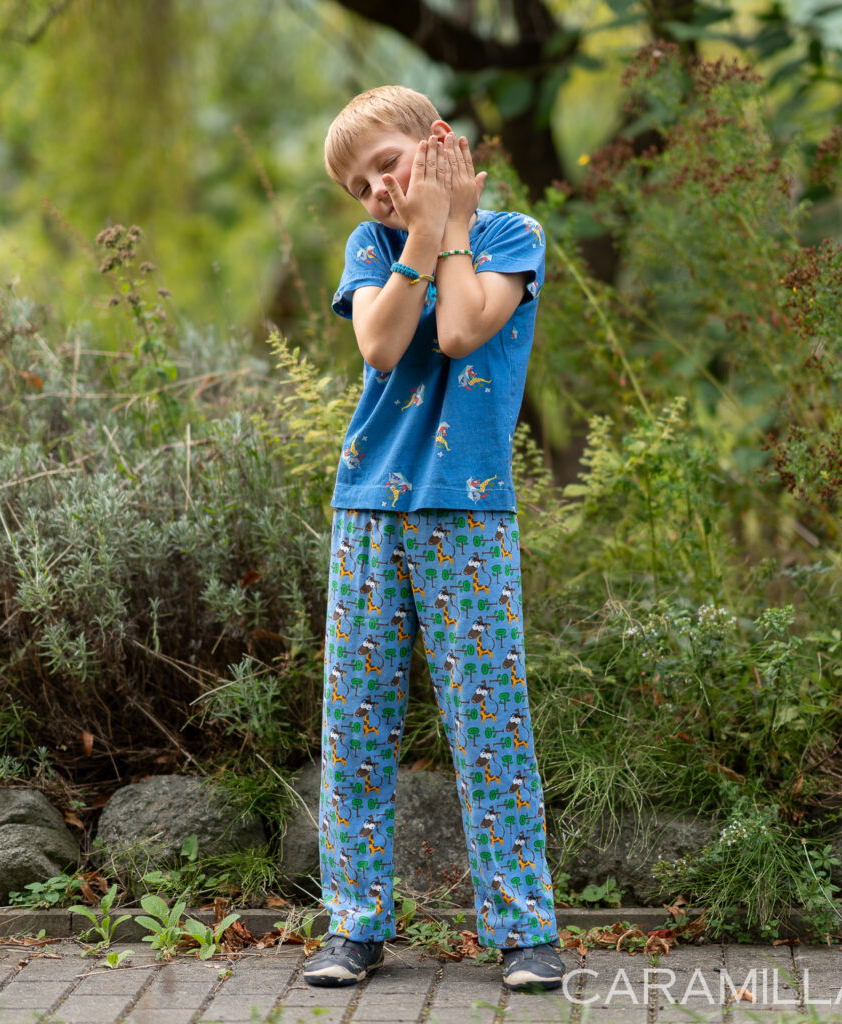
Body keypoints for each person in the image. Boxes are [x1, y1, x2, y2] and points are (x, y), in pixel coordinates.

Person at [301, 85, 564, 994]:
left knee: (490, 721)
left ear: (439, 142)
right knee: (357, 721)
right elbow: (380, 345)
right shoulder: (371, 249)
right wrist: (417, 231)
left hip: (468, 512)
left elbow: (459, 331)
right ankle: (355, 925)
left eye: (387, 164)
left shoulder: (514, 237)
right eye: (359, 185)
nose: (376, 189)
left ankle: (523, 931)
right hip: (368, 508)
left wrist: (447, 223)